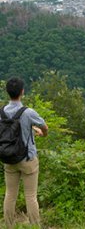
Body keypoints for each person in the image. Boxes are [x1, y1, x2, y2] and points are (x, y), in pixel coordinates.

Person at [1, 77, 48, 228]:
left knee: (10, 195)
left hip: (9, 158)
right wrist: (42, 133)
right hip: (28, 159)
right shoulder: (28, 112)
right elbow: (44, 126)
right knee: (31, 196)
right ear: (22, 92)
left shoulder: (1, 113)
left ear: (7, 92)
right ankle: (35, 226)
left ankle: (9, 226)